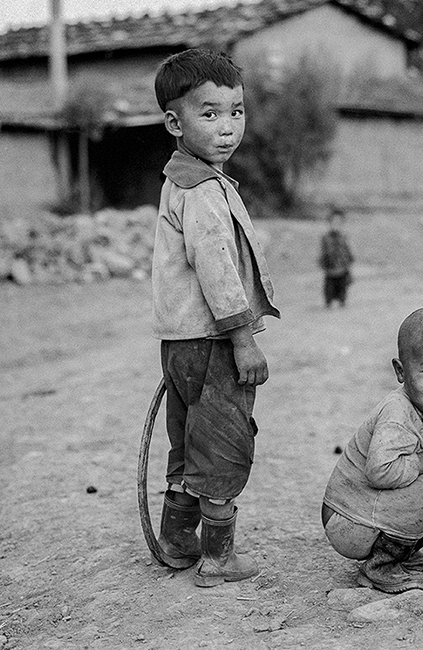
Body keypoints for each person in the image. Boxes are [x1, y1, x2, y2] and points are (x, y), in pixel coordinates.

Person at [150, 48, 280, 588]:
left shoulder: (184, 179)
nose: (228, 127)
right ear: (175, 123)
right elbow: (218, 271)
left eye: (236, 111)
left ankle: (178, 541)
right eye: (210, 114)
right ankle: (219, 558)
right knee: (224, 443)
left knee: (188, 443)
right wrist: (244, 339)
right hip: (213, 341)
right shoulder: (201, 189)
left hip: (181, 345)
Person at [322, 307, 423, 593]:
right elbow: (381, 472)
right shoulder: (397, 412)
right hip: (349, 520)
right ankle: (379, 566)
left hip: (375, 513)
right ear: (401, 372)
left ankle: (403, 554)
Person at [319, 208, 354, 307]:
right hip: (330, 267)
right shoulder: (325, 238)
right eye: (333, 222)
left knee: (342, 286)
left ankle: (342, 301)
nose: (336, 225)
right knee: (329, 287)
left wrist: (349, 261)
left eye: (338, 223)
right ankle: (328, 302)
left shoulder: (344, 237)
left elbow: (348, 250)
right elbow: (323, 251)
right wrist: (323, 262)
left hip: (342, 266)